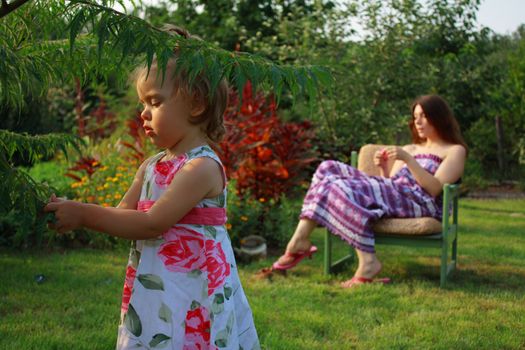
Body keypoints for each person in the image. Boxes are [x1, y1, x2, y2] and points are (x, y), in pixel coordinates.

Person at [45, 26, 260, 349]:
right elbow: (121, 215)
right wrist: (71, 207)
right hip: (156, 287)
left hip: (193, 293)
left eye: (154, 102)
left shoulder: (201, 167)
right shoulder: (151, 165)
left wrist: (84, 215)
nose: (143, 113)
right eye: (142, 103)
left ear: (196, 103)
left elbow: (152, 223)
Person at [271, 95, 467, 288]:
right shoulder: (410, 147)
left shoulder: (453, 150)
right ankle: (301, 240)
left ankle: (357, 259)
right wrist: (384, 168)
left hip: (421, 203)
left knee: (334, 185)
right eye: (415, 117)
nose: (417, 121)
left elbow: (434, 188)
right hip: (397, 195)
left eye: (423, 116)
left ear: (439, 117)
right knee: (327, 168)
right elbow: (391, 183)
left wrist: (409, 159)